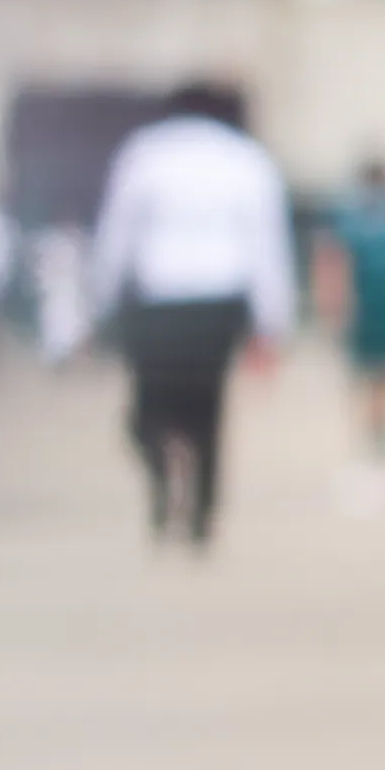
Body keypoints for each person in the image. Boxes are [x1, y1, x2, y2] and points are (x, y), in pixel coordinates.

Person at [86, 85, 296, 547]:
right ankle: (201, 511)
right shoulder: (245, 159)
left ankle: (167, 485)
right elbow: (267, 248)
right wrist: (272, 323)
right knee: (207, 410)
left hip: (159, 301)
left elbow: (116, 233)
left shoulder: (145, 154)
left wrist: (101, 301)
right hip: (218, 303)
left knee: (148, 411)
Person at [331, 157, 385, 460]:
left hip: (384, 303)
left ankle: (381, 427)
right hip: (372, 303)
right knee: (373, 373)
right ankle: (374, 428)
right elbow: (341, 262)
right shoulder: (358, 217)